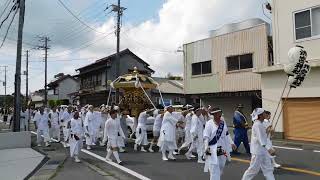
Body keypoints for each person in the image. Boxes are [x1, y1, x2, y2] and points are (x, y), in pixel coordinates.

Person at [242, 108, 275, 180]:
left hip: (263, 151)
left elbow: (264, 137)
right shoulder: (257, 125)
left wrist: (268, 131)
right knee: (253, 170)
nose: (266, 114)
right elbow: (261, 140)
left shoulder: (261, 123)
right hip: (258, 152)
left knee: (268, 169)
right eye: (264, 113)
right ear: (260, 115)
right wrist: (269, 149)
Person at [203, 108, 236, 180]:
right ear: (214, 115)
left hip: (222, 148)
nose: (220, 115)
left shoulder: (222, 123)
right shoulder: (209, 123)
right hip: (212, 148)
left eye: (220, 113)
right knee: (214, 167)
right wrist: (206, 148)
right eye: (218, 113)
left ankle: (216, 175)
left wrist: (232, 143)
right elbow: (206, 137)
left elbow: (227, 134)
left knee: (221, 165)